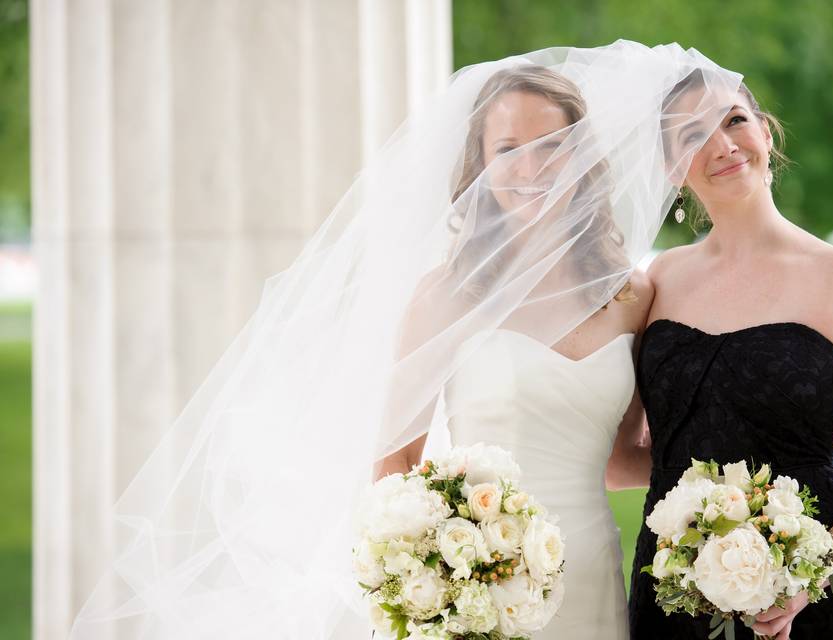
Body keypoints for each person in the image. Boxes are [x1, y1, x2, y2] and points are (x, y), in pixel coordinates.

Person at [69, 42, 742, 639]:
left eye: (551, 146)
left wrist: (744, 447)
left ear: (581, 156)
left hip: (590, 571)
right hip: (476, 590)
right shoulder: (447, 296)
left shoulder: (629, 295)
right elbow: (395, 462)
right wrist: (444, 576)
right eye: (508, 149)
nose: (532, 166)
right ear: (479, 165)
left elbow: (623, 457)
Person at [628, 72, 833, 639]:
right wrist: (691, 503)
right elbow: (619, 458)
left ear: (766, 132)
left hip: (827, 588)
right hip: (677, 588)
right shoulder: (659, 280)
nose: (723, 145)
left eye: (734, 120)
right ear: (670, 170)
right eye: (692, 137)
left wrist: (810, 575)